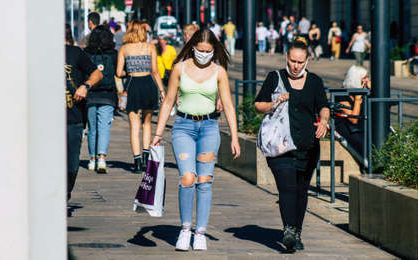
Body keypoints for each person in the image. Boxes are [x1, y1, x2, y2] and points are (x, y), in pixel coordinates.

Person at [150, 29, 241, 251]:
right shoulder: (179, 68)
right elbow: (169, 100)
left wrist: (235, 137)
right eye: (200, 51)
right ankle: (185, 229)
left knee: (205, 180)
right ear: (192, 47)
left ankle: (200, 232)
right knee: (187, 178)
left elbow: (228, 105)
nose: (204, 55)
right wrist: (158, 134)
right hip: (183, 127)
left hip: (209, 128)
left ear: (214, 51)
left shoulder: (219, 72)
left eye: (208, 51)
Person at [254, 38, 330, 252]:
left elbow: (323, 105)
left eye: (300, 62)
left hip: (307, 144)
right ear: (286, 58)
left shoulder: (314, 81)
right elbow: (259, 105)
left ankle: (296, 231)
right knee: (287, 187)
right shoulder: (274, 77)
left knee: (301, 190)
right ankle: (288, 230)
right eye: (292, 61)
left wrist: (324, 121)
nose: (295, 66)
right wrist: (275, 102)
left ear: (307, 61)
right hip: (280, 145)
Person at [116, 20, 165, 173]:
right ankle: (145, 158)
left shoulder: (124, 49)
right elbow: (155, 71)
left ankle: (136, 162)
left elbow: (118, 73)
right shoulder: (150, 47)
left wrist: (129, 71)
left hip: (132, 84)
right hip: (148, 84)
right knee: (147, 123)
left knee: (134, 125)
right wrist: (162, 90)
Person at [64, 24, 103, 199]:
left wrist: (85, 86)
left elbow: (97, 74)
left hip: (73, 118)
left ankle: (65, 192)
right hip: (46, 121)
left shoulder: (75, 53)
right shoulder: (40, 55)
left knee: (72, 165)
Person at [84, 25, 118, 173]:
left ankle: (92, 159)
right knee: (104, 127)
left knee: (92, 129)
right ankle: (102, 158)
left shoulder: (86, 53)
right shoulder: (113, 54)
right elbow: (118, 73)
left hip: (90, 94)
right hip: (108, 95)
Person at [335, 65, 370, 156]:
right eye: (364, 78)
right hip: (349, 129)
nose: (367, 80)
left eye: (367, 77)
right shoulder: (341, 94)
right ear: (356, 79)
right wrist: (358, 100)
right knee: (367, 146)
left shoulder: (365, 91)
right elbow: (353, 119)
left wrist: (373, 90)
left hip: (362, 127)